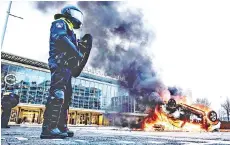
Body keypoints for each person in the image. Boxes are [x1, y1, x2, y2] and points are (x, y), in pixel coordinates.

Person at [40, 5, 92, 139]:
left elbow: (72, 46)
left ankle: (61, 126)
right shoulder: (60, 23)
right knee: (57, 94)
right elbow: (61, 38)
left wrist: (81, 46)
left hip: (67, 67)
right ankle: (48, 128)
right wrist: (77, 51)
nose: (78, 18)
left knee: (67, 97)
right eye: (76, 14)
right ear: (68, 13)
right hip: (59, 63)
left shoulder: (70, 30)